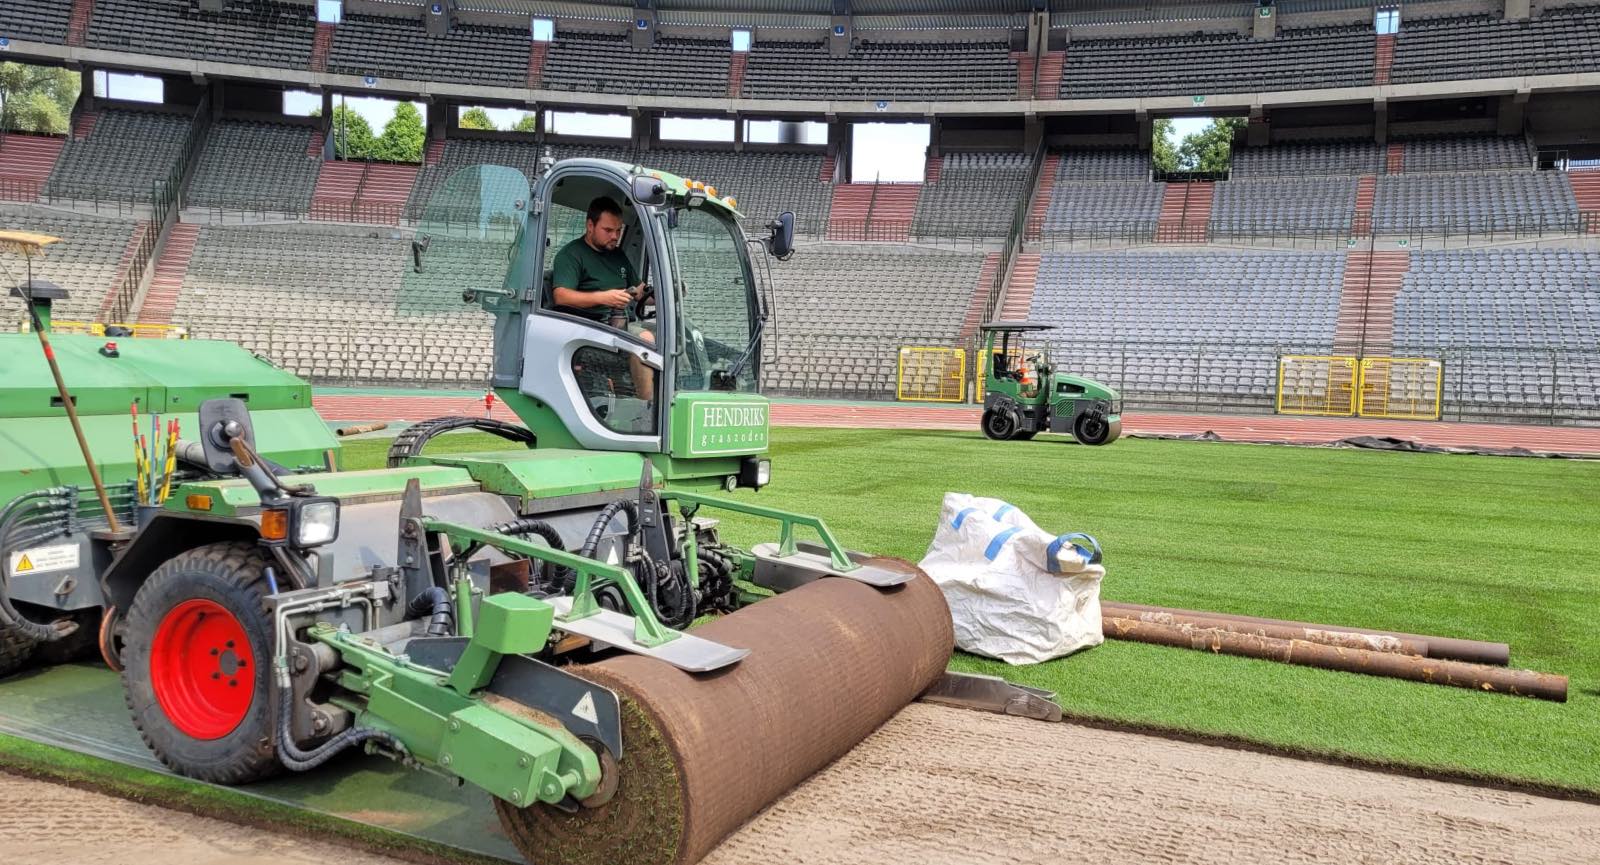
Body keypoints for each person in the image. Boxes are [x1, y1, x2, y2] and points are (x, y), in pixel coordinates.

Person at [550, 196, 656, 399]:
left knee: (677, 333)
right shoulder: (571, 255)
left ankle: (670, 397)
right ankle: (647, 409)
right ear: (590, 225)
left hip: (621, 324)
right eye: (608, 230)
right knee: (645, 339)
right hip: (592, 328)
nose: (615, 236)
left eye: (619, 230)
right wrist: (603, 298)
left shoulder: (617, 255)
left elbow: (640, 291)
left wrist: (661, 297)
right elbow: (561, 296)